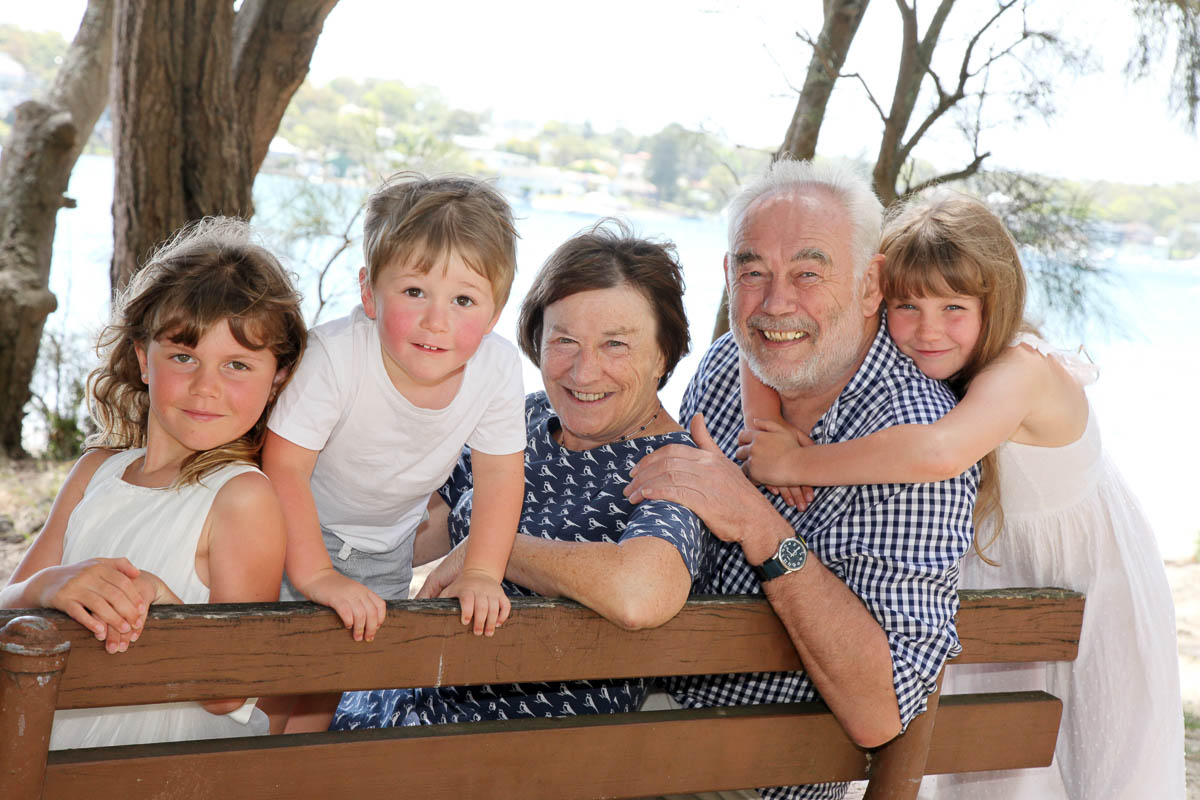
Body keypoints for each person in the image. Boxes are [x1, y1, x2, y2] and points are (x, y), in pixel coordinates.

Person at [736, 192, 1186, 800]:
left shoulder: (1022, 371)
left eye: (954, 306)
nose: (927, 329)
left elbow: (938, 452)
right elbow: (761, 345)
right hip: (992, 576)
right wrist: (768, 417)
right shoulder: (929, 356)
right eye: (907, 305)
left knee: (1102, 761)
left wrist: (797, 461)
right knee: (990, 771)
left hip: (1085, 581)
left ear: (993, 304)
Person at [622, 160, 978, 800]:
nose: (776, 302)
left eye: (808, 274)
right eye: (753, 272)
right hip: (643, 715)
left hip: (753, 776)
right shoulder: (737, 360)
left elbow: (880, 709)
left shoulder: (911, 437)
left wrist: (760, 526)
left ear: (872, 286)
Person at [332, 221, 711, 730]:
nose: (583, 372)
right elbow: (421, 521)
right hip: (398, 707)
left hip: (508, 748)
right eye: (564, 341)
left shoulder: (674, 465)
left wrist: (491, 551)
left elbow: (639, 593)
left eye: (615, 345)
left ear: (664, 352)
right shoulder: (525, 418)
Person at [1, 217, 306, 749]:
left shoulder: (242, 498)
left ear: (276, 377)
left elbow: (229, 692)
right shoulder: (97, 471)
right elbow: (10, 610)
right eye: (184, 357)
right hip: (46, 742)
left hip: (154, 761)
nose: (206, 387)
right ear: (144, 358)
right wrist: (42, 587)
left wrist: (165, 608)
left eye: (237, 364)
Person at [263, 172, 527, 732]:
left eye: (463, 300)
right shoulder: (335, 356)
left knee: (326, 687)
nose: (437, 320)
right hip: (290, 531)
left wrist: (481, 571)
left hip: (388, 546)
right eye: (414, 292)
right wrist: (316, 575)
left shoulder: (497, 368)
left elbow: (501, 478)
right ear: (369, 293)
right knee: (267, 683)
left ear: (496, 312)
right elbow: (283, 469)